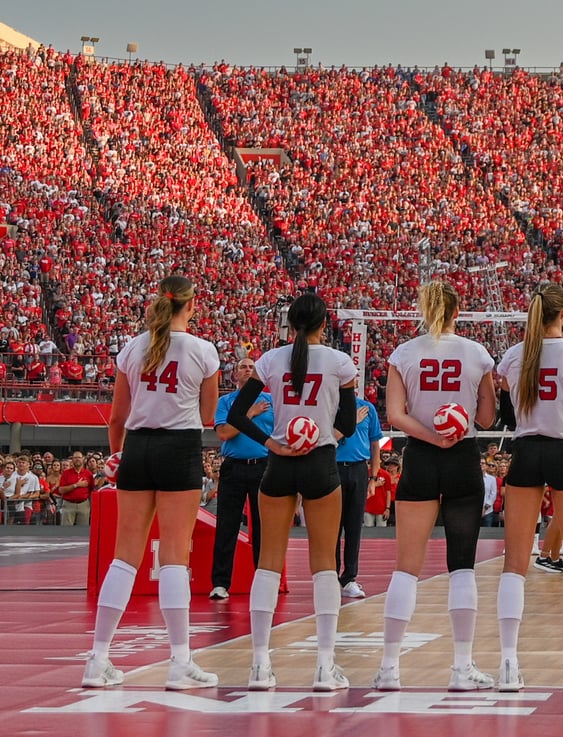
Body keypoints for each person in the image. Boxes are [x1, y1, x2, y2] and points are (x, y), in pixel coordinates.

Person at [82, 275, 222, 691]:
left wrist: (118, 454)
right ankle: (180, 661)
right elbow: (209, 413)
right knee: (175, 555)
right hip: (179, 447)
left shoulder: (132, 347)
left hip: (137, 449)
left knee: (124, 556)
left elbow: (116, 417)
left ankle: (98, 657)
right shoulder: (202, 349)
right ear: (191, 306)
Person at [226, 291, 361, 692]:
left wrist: (274, 444)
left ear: (290, 324)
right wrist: (325, 439)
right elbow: (350, 421)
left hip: (280, 464)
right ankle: (324, 665)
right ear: (324, 324)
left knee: (268, 563)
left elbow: (236, 414)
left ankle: (259, 665)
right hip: (320, 461)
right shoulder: (340, 362)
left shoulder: (269, 359)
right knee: (324, 565)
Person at [372, 279, 499, 691]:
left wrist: (431, 435)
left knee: (406, 568)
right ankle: (462, 668)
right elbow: (485, 419)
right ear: (457, 312)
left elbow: (395, 415)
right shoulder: (476, 353)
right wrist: (453, 427)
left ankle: (389, 668)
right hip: (462, 456)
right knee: (462, 565)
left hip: (422, 458)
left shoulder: (403, 353)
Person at [494, 284, 563, 692]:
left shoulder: (514, 354)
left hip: (527, 450)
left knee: (515, 564)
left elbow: (506, 416)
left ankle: (508, 663)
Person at [210, 356, 271, 600]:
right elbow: (224, 433)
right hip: (234, 467)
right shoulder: (226, 402)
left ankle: (264, 580)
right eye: (243, 367)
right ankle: (220, 583)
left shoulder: (270, 401)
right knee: (227, 525)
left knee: (263, 527)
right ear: (235, 374)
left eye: (251, 367)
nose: (247, 370)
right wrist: (249, 414)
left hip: (264, 466)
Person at [332, 387, 382, 599]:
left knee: (353, 526)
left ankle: (349, 578)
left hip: (359, 468)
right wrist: (350, 422)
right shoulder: (329, 407)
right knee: (332, 527)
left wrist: (373, 477)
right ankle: (330, 578)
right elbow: (327, 438)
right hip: (332, 467)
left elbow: (375, 445)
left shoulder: (367, 408)